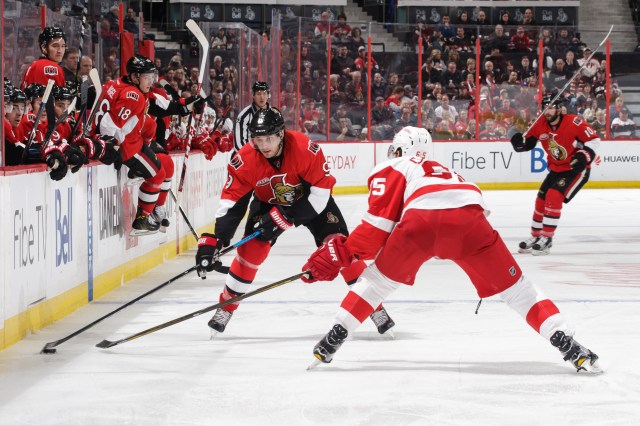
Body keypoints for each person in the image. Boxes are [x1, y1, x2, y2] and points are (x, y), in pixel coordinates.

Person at [302, 126, 602, 374]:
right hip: (471, 221)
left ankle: (333, 339)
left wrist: (341, 252)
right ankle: (564, 338)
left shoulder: (394, 165)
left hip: (421, 222)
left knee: (378, 282)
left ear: (397, 149)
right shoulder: (441, 168)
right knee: (519, 289)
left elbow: (377, 229)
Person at [195, 107, 395, 336]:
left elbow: (320, 195)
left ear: (281, 134)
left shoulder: (304, 149)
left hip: (311, 201)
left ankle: (373, 307)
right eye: (258, 139)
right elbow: (233, 203)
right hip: (268, 204)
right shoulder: (245, 160)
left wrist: (287, 217)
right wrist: (217, 240)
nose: (264, 145)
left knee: (339, 248)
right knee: (250, 251)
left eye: (269, 138)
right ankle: (225, 308)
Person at [510, 93, 600, 255]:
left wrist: (583, 157)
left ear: (559, 109)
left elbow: (594, 140)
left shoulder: (574, 121)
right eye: (545, 107)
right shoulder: (539, 124)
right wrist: (519, 144)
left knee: (553, 196)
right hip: (556, 169)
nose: (547, 111)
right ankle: (536, 236)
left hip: (575, 169)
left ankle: (547, 239)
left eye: (551, 107)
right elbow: (529, 142)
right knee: (540, 200)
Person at [94, 54, 170, 235]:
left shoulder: (115, 83)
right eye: (146, 77)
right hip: (128, 147)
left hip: (131, 140)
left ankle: (147, 209)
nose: (150, 81)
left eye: (152, 76)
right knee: (158, 174)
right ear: (135, 77)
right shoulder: (133, 95)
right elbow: (107, 124)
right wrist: (109, 145)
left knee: (160, 165)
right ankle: (143, 218)